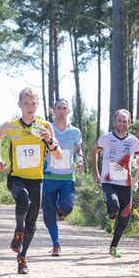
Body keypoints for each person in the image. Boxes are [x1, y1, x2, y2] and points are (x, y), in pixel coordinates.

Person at [0, 87, 61, 274]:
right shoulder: (12, 125)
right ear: (20, 105)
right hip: (16, 177)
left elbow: (58, 154)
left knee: (32, 222)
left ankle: (22, 257)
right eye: (26, 104)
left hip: (36, 179)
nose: (30, 107)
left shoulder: (44, 126)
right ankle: (18, 230)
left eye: (33, 104)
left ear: (37, 105)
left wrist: (49, 140)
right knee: (23, 201)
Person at [91, 109, 139, 258]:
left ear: (129, 123)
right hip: (109, 181)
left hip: (126, 183)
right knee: (114, 207)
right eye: (119, 120)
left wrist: (137, 164)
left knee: (125, 215)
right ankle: (110, 217)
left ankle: (113, 247)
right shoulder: (106, 138)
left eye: (125, 121)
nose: (122, 123)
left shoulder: (134, 141)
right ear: (114, 122)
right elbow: (94, 151)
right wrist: (96, 173)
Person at [42, 99, 84, 257]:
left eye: (64, 108)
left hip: (67, 177)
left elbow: (78, 150)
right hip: (48, 177)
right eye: (58, 108)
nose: (61, 111)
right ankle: (56, 244)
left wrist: (80, 161)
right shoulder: (47, 128)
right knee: (48, 216)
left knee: (67, 208)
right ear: (54, 110)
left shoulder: (75, 132)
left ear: (68, 111)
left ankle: (60, 211)